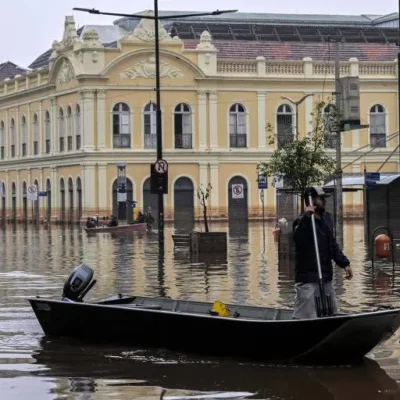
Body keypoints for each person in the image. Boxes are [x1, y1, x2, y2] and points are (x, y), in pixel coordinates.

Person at [292, 186, 353, 319]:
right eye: (321, 199)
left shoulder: (326, 220)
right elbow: (298, 239)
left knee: (329, 315)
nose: (324, 202)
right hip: (308, 280)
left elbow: (332, 245)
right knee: (305, 318)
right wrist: (307, 219)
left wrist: (345, 264)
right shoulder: (301, 221)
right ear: (312, 200)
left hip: (325, 278)